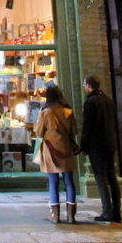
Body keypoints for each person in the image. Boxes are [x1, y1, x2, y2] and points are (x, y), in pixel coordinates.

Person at [81, 74, 121, 223]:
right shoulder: (108, 100)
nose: (84, 87)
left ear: (89, 85)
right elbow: (116, 123)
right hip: (110, 143)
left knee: (101, 177)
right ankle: (116, 212)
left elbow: (88, 127)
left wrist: (84, 146)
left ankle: (107, 212)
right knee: (112, 176)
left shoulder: (90, 102)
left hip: (97, 145)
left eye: (85, 84)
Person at [35, 86, 78, 224]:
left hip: (50, 148)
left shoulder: (45, 112)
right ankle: (71, 216)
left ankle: (55, 215)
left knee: (53, 181)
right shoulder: (68, 111)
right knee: (69, 181)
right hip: (66, 147)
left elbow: (39, 132)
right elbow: (74, 131)